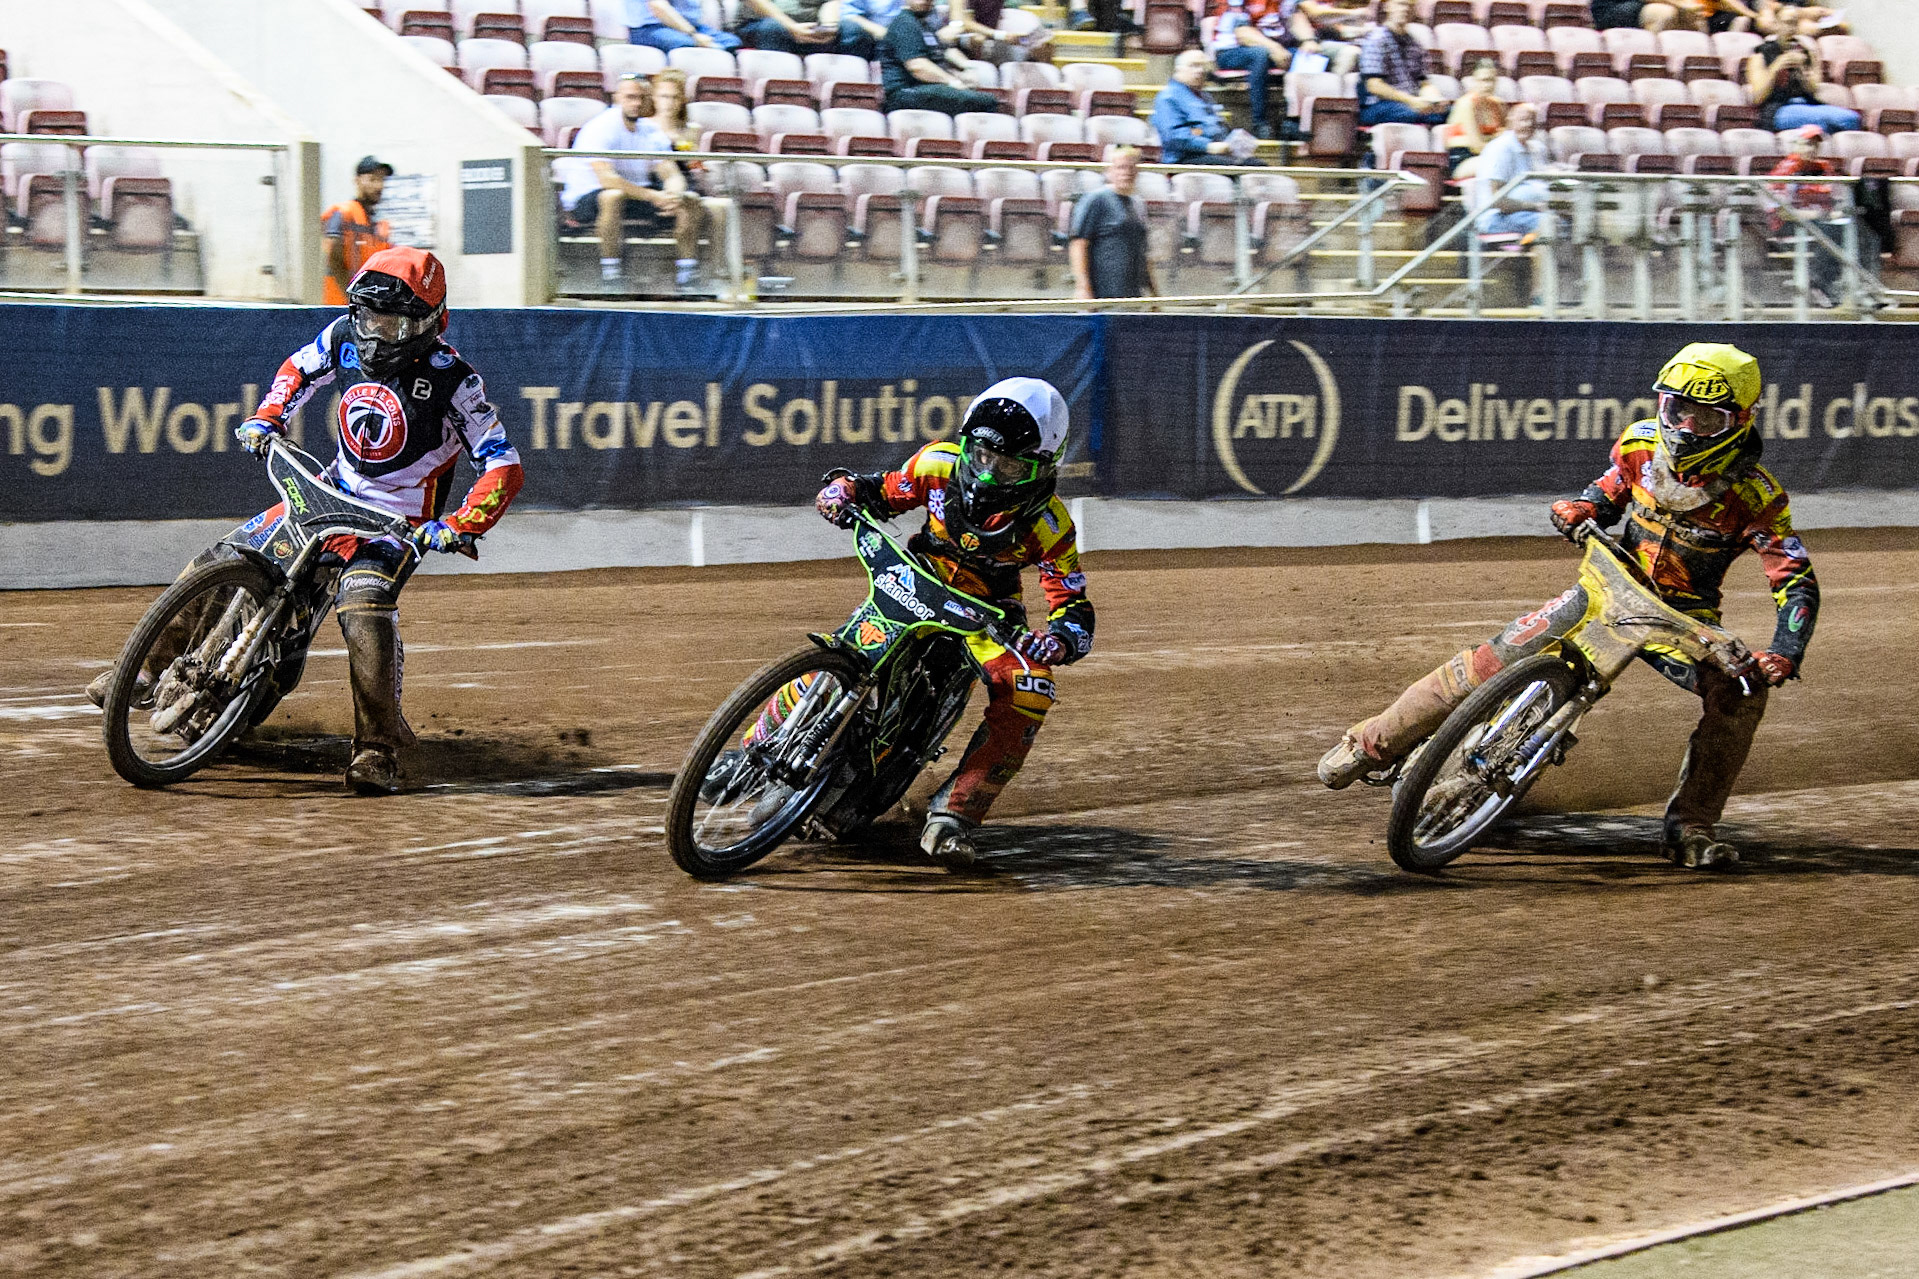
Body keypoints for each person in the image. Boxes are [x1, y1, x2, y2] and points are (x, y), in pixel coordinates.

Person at [1318, 343, 1818, 871]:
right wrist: (1580, 507)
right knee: (1491, 658)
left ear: (1740, 420)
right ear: (1661, 405)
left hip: (1682, 622)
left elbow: (1795, 580)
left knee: (1741, 691)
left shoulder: (1758, 497)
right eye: (1678, 410)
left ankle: (1691, 825)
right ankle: (1372, 742)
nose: (1688, 428)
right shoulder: (1639, 446)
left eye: (1707, 417)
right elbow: (1608, 491)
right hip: (1607, 587)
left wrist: (1784, 651)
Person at [83, 248, 526, 795]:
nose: (376, 333)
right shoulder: (341, 335)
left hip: (394, 524)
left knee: (363, 608)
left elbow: (502, 463)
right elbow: (298, 369)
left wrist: (460, 524)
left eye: (392, 323)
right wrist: (269, 415)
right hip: (327, 491)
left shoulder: (456, 380)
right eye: (368, 317)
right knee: (222, 558)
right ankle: (144, 671)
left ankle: (377, 750)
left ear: (430, 323)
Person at [813, 378, 1095, 867]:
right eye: (982, 455)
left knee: (1030, 690)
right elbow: (883, 491)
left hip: (988, 613)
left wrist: (1062, 639)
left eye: (1008, 465)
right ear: (967, 443)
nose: (988, 475)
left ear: (1044, 467)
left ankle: (954, 814)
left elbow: (1071, 600)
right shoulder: (937, 462)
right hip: (917, 576)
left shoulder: (1052, 526)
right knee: (847, 648)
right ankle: (752, 747)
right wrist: (845, 491)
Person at [556, 74, 706, 288]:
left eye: (642, 98)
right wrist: (653, 196)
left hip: (637, 195)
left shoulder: (651, 131)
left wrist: (673, 195)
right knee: (612, 196)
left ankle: (687, 276)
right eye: (630, 97)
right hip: (588, 197)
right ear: (617, 97)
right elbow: (607, 179)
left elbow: (670, 173)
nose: (636, 103)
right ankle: (611, 275)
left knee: (689, 200)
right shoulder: (601, 127)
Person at [1766, 124, 1868, 307]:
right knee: (1832, 230)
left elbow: (1838, 198)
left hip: (1821, 222)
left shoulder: (1824, 168)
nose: (1812, 149)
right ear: (1796, 145)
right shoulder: (1786, 170)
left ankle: (1864, 287)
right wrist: (1819, 214)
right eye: (1807, 144)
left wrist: (1836, 212)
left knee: (1860, 230)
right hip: (1788, 225)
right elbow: (1782, 212)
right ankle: (1819, 283)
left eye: (1815, 145)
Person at [1748, 8, 1860, 134]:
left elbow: (1813, 89)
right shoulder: (1761, 54)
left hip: (1807, 105)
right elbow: (1757, 97)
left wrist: (1802, 70)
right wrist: (1777, 66)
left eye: (1795, 23)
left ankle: (1819, 129)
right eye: (1787, 22)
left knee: (1852, 118)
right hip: (1778, 109)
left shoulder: (1806, 52)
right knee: (1828, 123)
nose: (1791, 28)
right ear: (1776, 24)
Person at [878, 0, 999, 115]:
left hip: (925, 89)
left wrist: (968, 68)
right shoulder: (904, 24)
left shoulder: (925, 24)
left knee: (977, 97)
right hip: (905, 92)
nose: (924, 1)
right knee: (984, 101)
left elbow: (945, 50)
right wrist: (952, 81)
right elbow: (917, 66)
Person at [1069, 147, 1156, 300]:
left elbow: (1144, 254)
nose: (1126, 172)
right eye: (1121, 167)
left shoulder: (1138, 204)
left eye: (1131, 168)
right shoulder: (1096, 199)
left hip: (1133, 297)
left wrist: (1154, 294)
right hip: (1102, 295)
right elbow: (1079, 244)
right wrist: (1083, 288)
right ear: (1109, 170)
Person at [1151, 50, 1258, 164]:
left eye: (1203, 66)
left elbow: (1217, 128)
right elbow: (1173, 136)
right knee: (1247, 165)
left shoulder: (1205, 96)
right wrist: (1208, 146)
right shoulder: (1168, 97)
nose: (1200, 70)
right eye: (1194, 66)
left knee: (1256, 163)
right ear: (1178, 70)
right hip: (1185, 158)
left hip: (1215, 155)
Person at [1357, 0, 1450, 128]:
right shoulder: (1376, 40)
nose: (1405, 9)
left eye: (1410, 6)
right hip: (1378, 105)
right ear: (1388, 6)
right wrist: (1411, 101)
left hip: (1410, 102)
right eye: (1401, 4)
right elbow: (1374, 85)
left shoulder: (1415, 44)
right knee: (1411, 113)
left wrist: (1435, 99)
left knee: (1450, 111)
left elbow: (1424, 82)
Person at [322, 156, 394, 307]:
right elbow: (333, 258)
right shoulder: (343, 214)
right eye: (372, 179)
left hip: (367, 309)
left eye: (382, 180)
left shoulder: (379, 224)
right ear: (357, 180)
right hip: (341, 308)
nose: (379, 186)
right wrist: (353, 297)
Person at [1208, 0, 1286, 141]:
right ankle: (1259, 122)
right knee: (1259, 54)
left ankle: (1291, 121)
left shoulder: (1273, 3)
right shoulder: (1236, 3)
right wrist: (1275, 48)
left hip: (1261, 49)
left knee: (1300, 54)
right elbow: (1243, 34)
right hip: (1228, 52)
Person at [1471, 101, 1550, 235]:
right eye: (1523, 120)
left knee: (1568, 221)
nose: (1528, 125)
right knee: (1549, 224)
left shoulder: (1537, 148)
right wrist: (1536, 206)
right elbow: (1497, 200)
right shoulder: (1501, 149)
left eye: (1532, 121)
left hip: (1529, 213)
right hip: (1497, 217)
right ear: (1510, 121)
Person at [1445, 59, 1508, 177]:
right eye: (1484, 80)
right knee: (1499, 164)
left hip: (1489, 155)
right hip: (1463, 159)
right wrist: (1496, 139)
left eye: (1492, 80)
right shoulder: (1466, 104)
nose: (1488, 85)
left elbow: (1506, 136)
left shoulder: (1498, 105)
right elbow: (1477, 146)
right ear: (1474, 81)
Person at [946, 0, 1054, 66]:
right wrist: (1000, 35)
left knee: (1044, 41)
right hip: (960, 38)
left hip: (992, 35)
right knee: (978, 40)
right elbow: (962, 22)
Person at [628, 0, 742, 51]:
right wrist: (693, 35)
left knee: (732, 42)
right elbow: (658, 7)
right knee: (687, 45)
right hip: (650, 29)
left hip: (691, 26)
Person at [739, 0, 845, 53]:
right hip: (760, 23)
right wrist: (791, 27)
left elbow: (831, 3)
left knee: (847, 31)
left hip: (809, 28)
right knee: (774, 29)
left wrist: (828, 27)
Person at [839, 0, 906, 60]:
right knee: (850, 27)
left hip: (907, 25)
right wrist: (880, 31)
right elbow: (847, 13)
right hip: (878, 31)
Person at [1591, 1, 1684, 33]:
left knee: (1690, 16)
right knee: (1663, 13)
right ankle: (1649, 55)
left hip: (1637, 7)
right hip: (1611, 10)